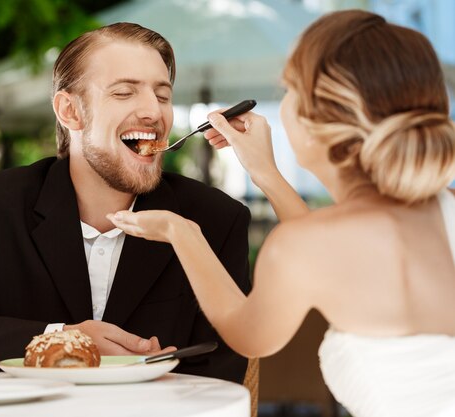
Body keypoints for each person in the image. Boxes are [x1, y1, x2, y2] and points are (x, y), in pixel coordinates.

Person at [108, 10, 455, 417]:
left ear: (315, 119)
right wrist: (264, 172)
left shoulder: (303, 244)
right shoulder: (442, 207)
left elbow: (248, 334)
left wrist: (181, 232)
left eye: (289, 89)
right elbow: (324, 253)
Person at [0, 22, 252, 383]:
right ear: (70, 111)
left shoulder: (215, 219)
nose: (154, 111)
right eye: (124, 91)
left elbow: (223, 367)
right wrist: (60, 339)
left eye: (163, 95)